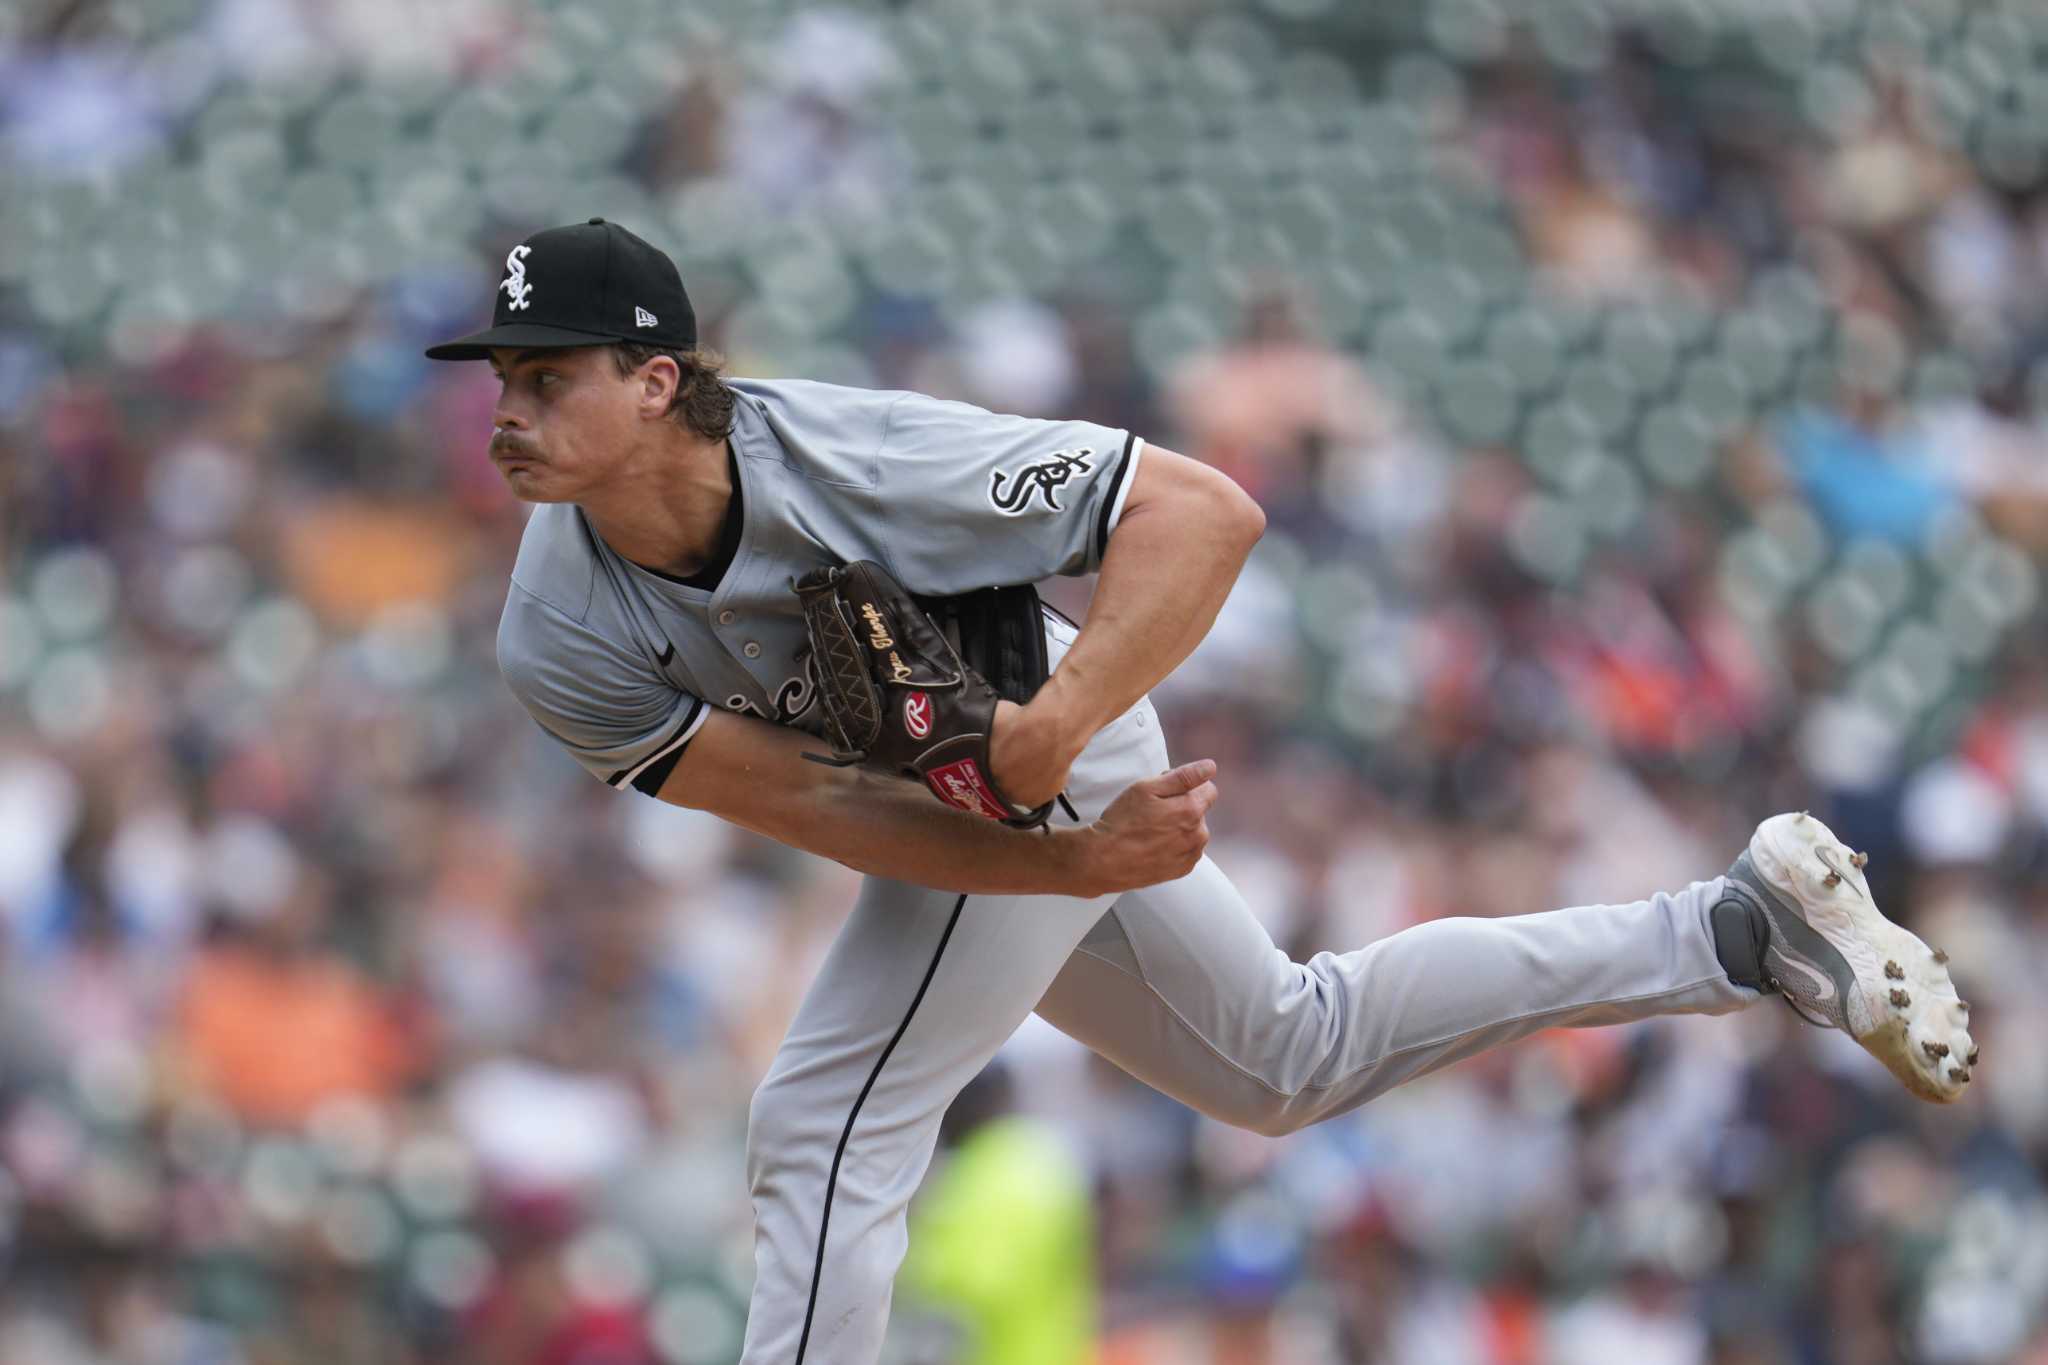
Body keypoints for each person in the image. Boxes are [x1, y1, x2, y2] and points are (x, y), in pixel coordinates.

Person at [424, 219, 1977, 1365]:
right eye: (501, 376)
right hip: (972, 799)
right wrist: (1074, 864)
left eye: (546, 375)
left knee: (824, 1114)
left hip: (1052, 726)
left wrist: (1062, 731)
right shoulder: (554, 630)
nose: (506, 409)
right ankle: (1727, 932)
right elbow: (825, 812)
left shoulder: (860, 456)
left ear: (657, 380)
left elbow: (1203, 513)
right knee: (1284, 1057)